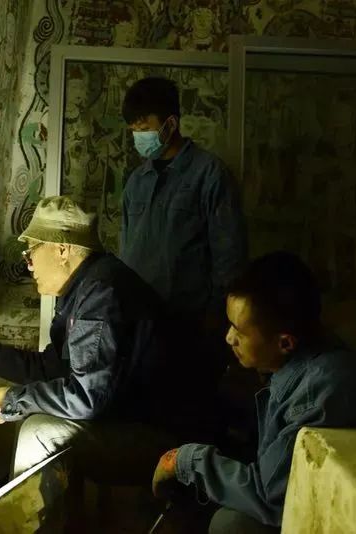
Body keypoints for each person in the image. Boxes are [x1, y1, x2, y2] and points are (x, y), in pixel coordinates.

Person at [150, 252, 356, 533]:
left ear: (285, 343)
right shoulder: (309, 352)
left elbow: (267, 498)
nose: (229, 338)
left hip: (352, 522)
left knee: (230, 524)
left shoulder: (317, 395)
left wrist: (182, 461)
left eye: (240, 332)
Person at [0, 196, 177, 483]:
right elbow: (50, 369)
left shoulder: (99, 293)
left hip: (159, 438)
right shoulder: (85, 290)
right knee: (30, 412)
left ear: (62, 250)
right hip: (129, 420)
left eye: (30, 253)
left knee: (37, 431)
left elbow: (86, 398)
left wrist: (8, 403)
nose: (29, 266)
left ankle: (26, 512)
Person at [120, 76, 248, 432]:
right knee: (144, 424)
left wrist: (215, 321)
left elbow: (230, 255)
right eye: (134, 130)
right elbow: (126, 249)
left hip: (192, 329)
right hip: (141, 329)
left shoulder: (209, 175)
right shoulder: (136, 182)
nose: (138, 137)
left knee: (188, 424)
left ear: (170, 124)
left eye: (144, 127)